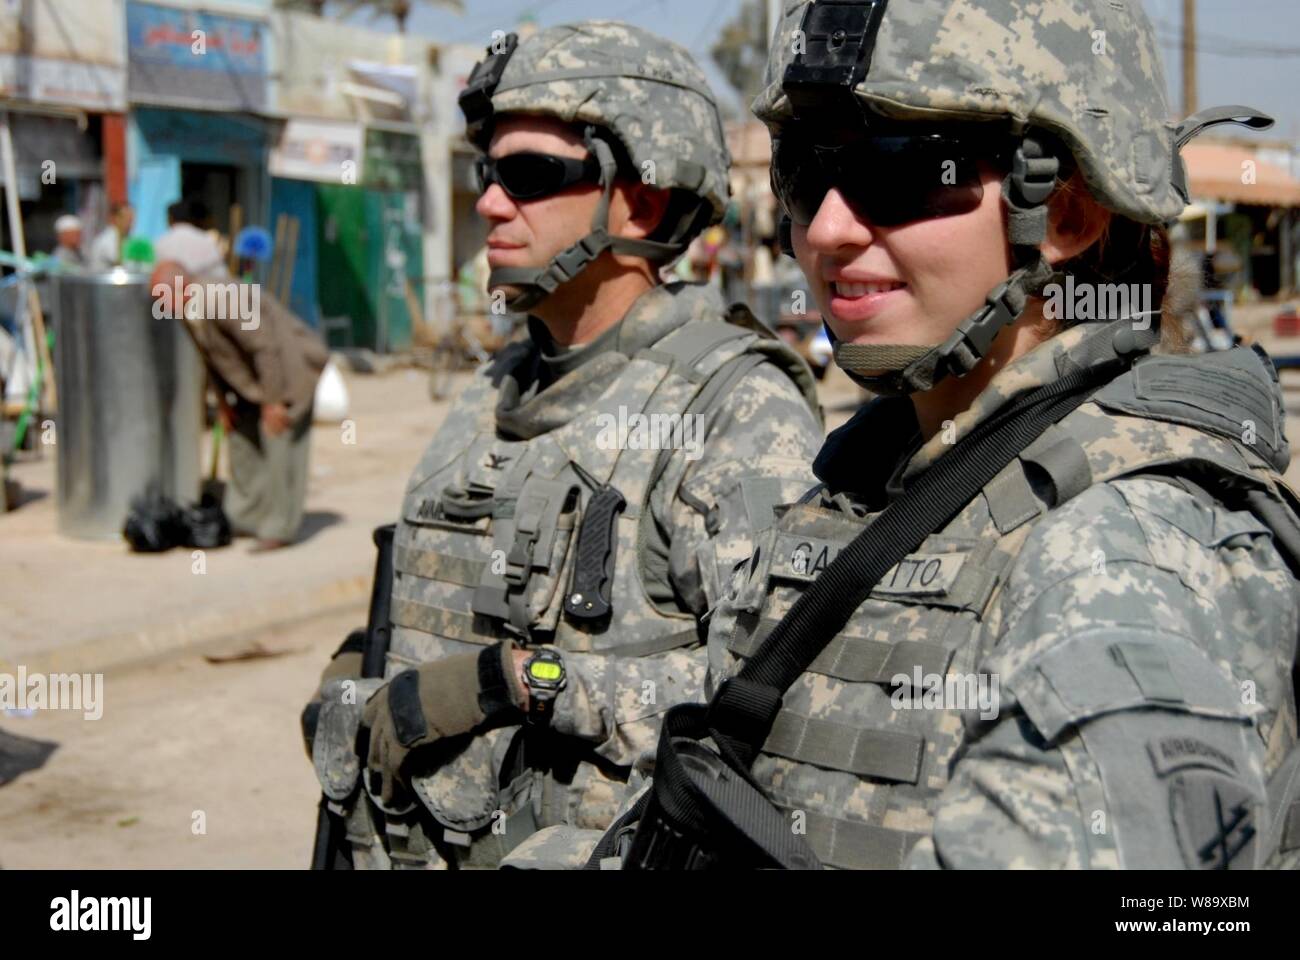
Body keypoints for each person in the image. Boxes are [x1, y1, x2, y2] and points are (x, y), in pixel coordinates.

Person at [513, 0, 1300, 871]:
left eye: (900, 171)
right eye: (807, 175)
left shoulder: (1120, 553)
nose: (827, 230)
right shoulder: (879, 480)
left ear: (1068, 213)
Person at [303, 20, 824, 870]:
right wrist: (363, 676)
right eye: (487, 173)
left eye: (531, 176)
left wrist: (516, 685)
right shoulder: (494, 385)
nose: (489, 203)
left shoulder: (731, 410)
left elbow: (771, 704)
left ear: (643, 200)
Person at [152, 198, 327, 553]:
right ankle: (246, 514)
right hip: (249, 381)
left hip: (288, 367)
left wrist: (274, 402)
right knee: (242, 442)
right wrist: (223, 405)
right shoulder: (187, 312)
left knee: (278, 438)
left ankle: (279, 525)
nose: (158, 305)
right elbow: (213, 361)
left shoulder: (220, 297)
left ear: (179, 285)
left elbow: (265, 347)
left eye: (160, 296)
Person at [88, 203, 135, 271]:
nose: (130, 222)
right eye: (126, 217)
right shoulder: (104, 240)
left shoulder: (130, 238)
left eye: (131, 218)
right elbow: (116, 261)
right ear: (115, 218)